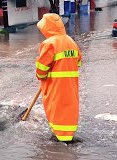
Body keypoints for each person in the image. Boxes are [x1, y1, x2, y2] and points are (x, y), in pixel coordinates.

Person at [35, 13, 82, 142]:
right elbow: (78, 62)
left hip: (55, 85)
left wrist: (41, 76)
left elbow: (42, 68)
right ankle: (68, 135)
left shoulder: (49, 43)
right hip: (71, 85)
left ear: (47, 28)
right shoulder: (70, 41)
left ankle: (60, 139)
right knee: (69, 107)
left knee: (56, 108)